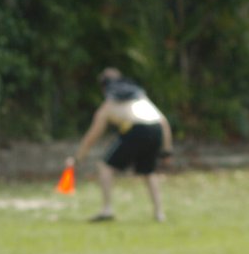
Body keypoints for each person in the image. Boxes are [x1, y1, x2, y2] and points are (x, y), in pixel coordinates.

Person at [67, 66, 174, 222]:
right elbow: (163, 122)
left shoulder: (108, 105)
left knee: (105, 166)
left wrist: (77, 159)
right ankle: (159, 213)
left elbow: (92, 136)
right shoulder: (141, 97)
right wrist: (167, 151)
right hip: (156, 128)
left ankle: (107, 209)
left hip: (136, 129)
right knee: (148, 171)